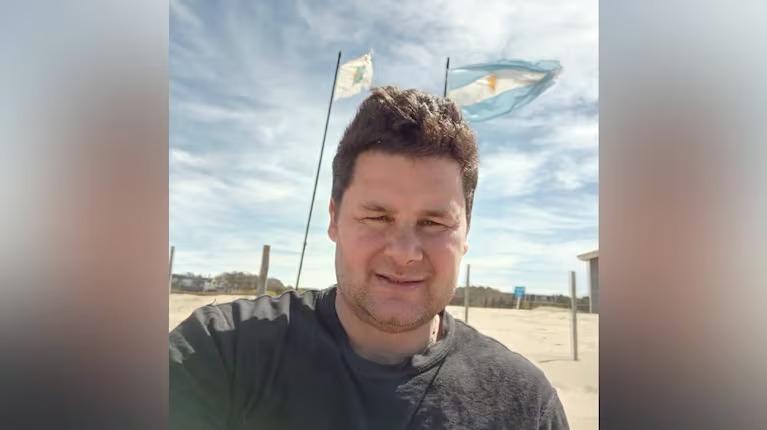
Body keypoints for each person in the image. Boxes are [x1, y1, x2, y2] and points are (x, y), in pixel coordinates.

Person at [169, 86, 569, 429]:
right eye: (377, 217)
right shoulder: (219, 353)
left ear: (466, 233)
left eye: (433, 223)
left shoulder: (525, 404)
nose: (404, 252)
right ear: (334, 220)